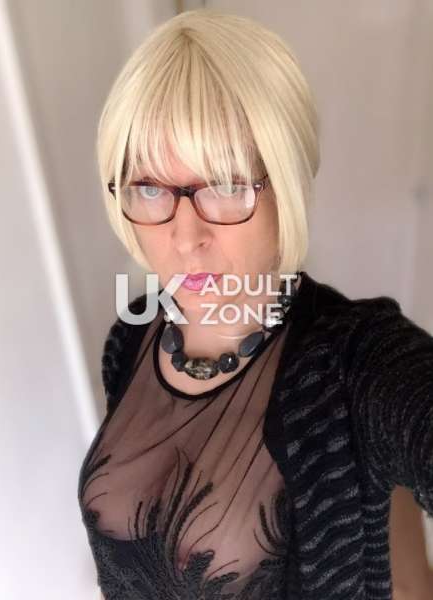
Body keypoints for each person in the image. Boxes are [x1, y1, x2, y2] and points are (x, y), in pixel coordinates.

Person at [77, 9, 433, 599]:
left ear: (287, 182)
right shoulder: (131, 338)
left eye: (226, 184)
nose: (186, 237)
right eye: (149, 187)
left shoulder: (352, 363)